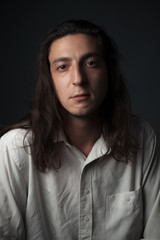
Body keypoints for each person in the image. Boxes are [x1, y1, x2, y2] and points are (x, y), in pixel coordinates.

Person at [0, 19, 159, 240]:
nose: (78, 79)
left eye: (90, 63)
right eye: (62, 67)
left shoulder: (142, 137)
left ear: (109, 72)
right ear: (50, 80)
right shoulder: (13, 150)